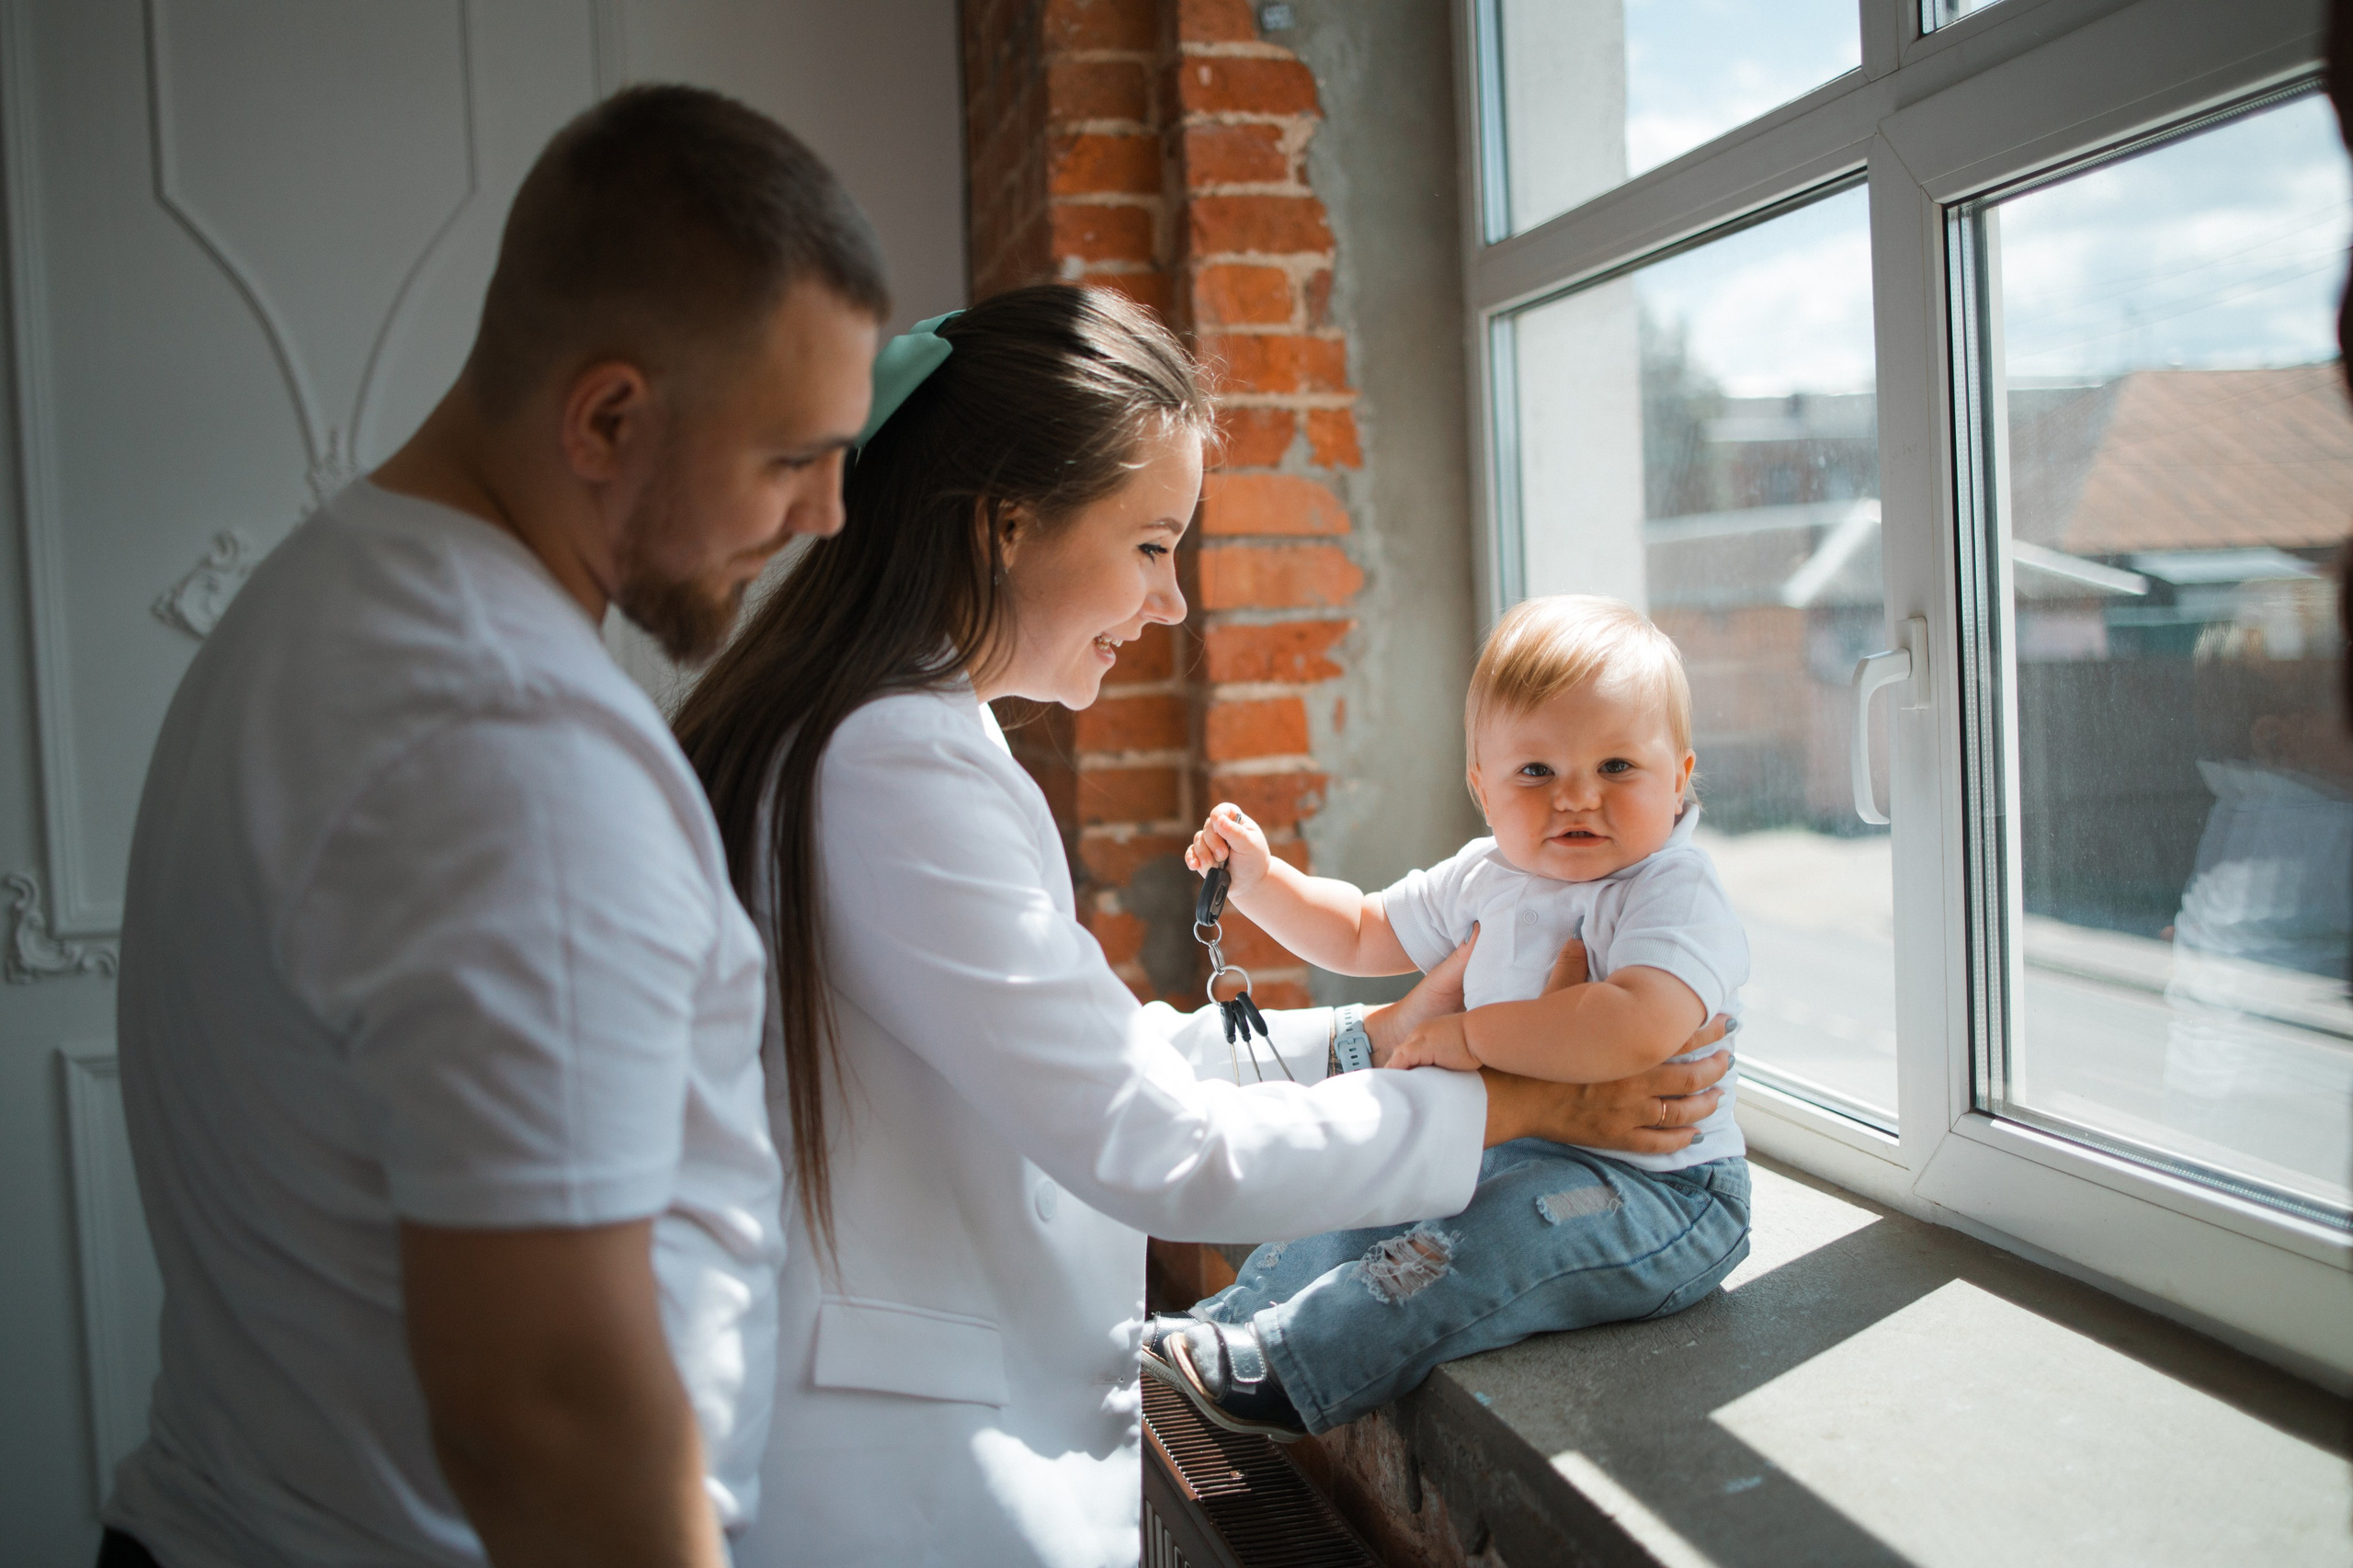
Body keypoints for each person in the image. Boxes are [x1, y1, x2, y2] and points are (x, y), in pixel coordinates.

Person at [673, 286, 1736, 1566]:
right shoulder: (896, 766)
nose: (1170, 602)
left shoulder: (869, 736)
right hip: (893, 1473)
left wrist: (1371, 1039)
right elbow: (1147, 1138)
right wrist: (1523, 1103)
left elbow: (1104, 1056)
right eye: (1148, 544)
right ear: (1008, 527)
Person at [103, 87, 885, 1568]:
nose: (829, 515)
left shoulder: (328, 598)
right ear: (606, 417)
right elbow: (549, 1411)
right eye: (793, 456)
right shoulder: (509, 744)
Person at [1149, 595, 1753, 1439]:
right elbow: (1360, 929)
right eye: (1536, 773)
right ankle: (1235, 1322)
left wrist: (1471, 1036)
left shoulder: (1670, 892)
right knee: (1377, 1203)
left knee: (1479, 1243)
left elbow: (1632, 1025)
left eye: (1617, 768)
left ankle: (1296, 1367)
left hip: (1663, 1193)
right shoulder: (1487, 875)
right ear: (1481, 785)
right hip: (1522, 1145)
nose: (1578, 798)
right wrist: (1261, 883)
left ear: (1680, 776)